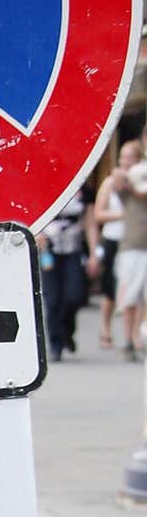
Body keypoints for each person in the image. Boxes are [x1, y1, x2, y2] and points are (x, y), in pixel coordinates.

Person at [38, 183, 99, 362]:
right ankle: (56, 344)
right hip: (48, 249)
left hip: (73, 248)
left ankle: (67, 329)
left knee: (75, 295)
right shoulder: (43, 188)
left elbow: (90, 223)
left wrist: (95, 254)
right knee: (53, 298)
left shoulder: (83, 191)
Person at [94, 145, 131, 348]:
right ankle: (106, 328)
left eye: (131, 158)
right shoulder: (109, 183)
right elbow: (99, 215)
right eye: (124, 157)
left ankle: (132, 335)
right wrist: (124, 216)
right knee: (110, 288)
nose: (127, 161)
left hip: (134, 241)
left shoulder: (139, 182)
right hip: (113, 239)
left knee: (135, 289)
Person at [113, 136, 147, 361]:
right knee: (131, 296)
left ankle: (138, 337)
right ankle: (129, 339)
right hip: (133, 244)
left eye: (130, 157)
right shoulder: (126, 179)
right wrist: (128, 171)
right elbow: (118, 183)